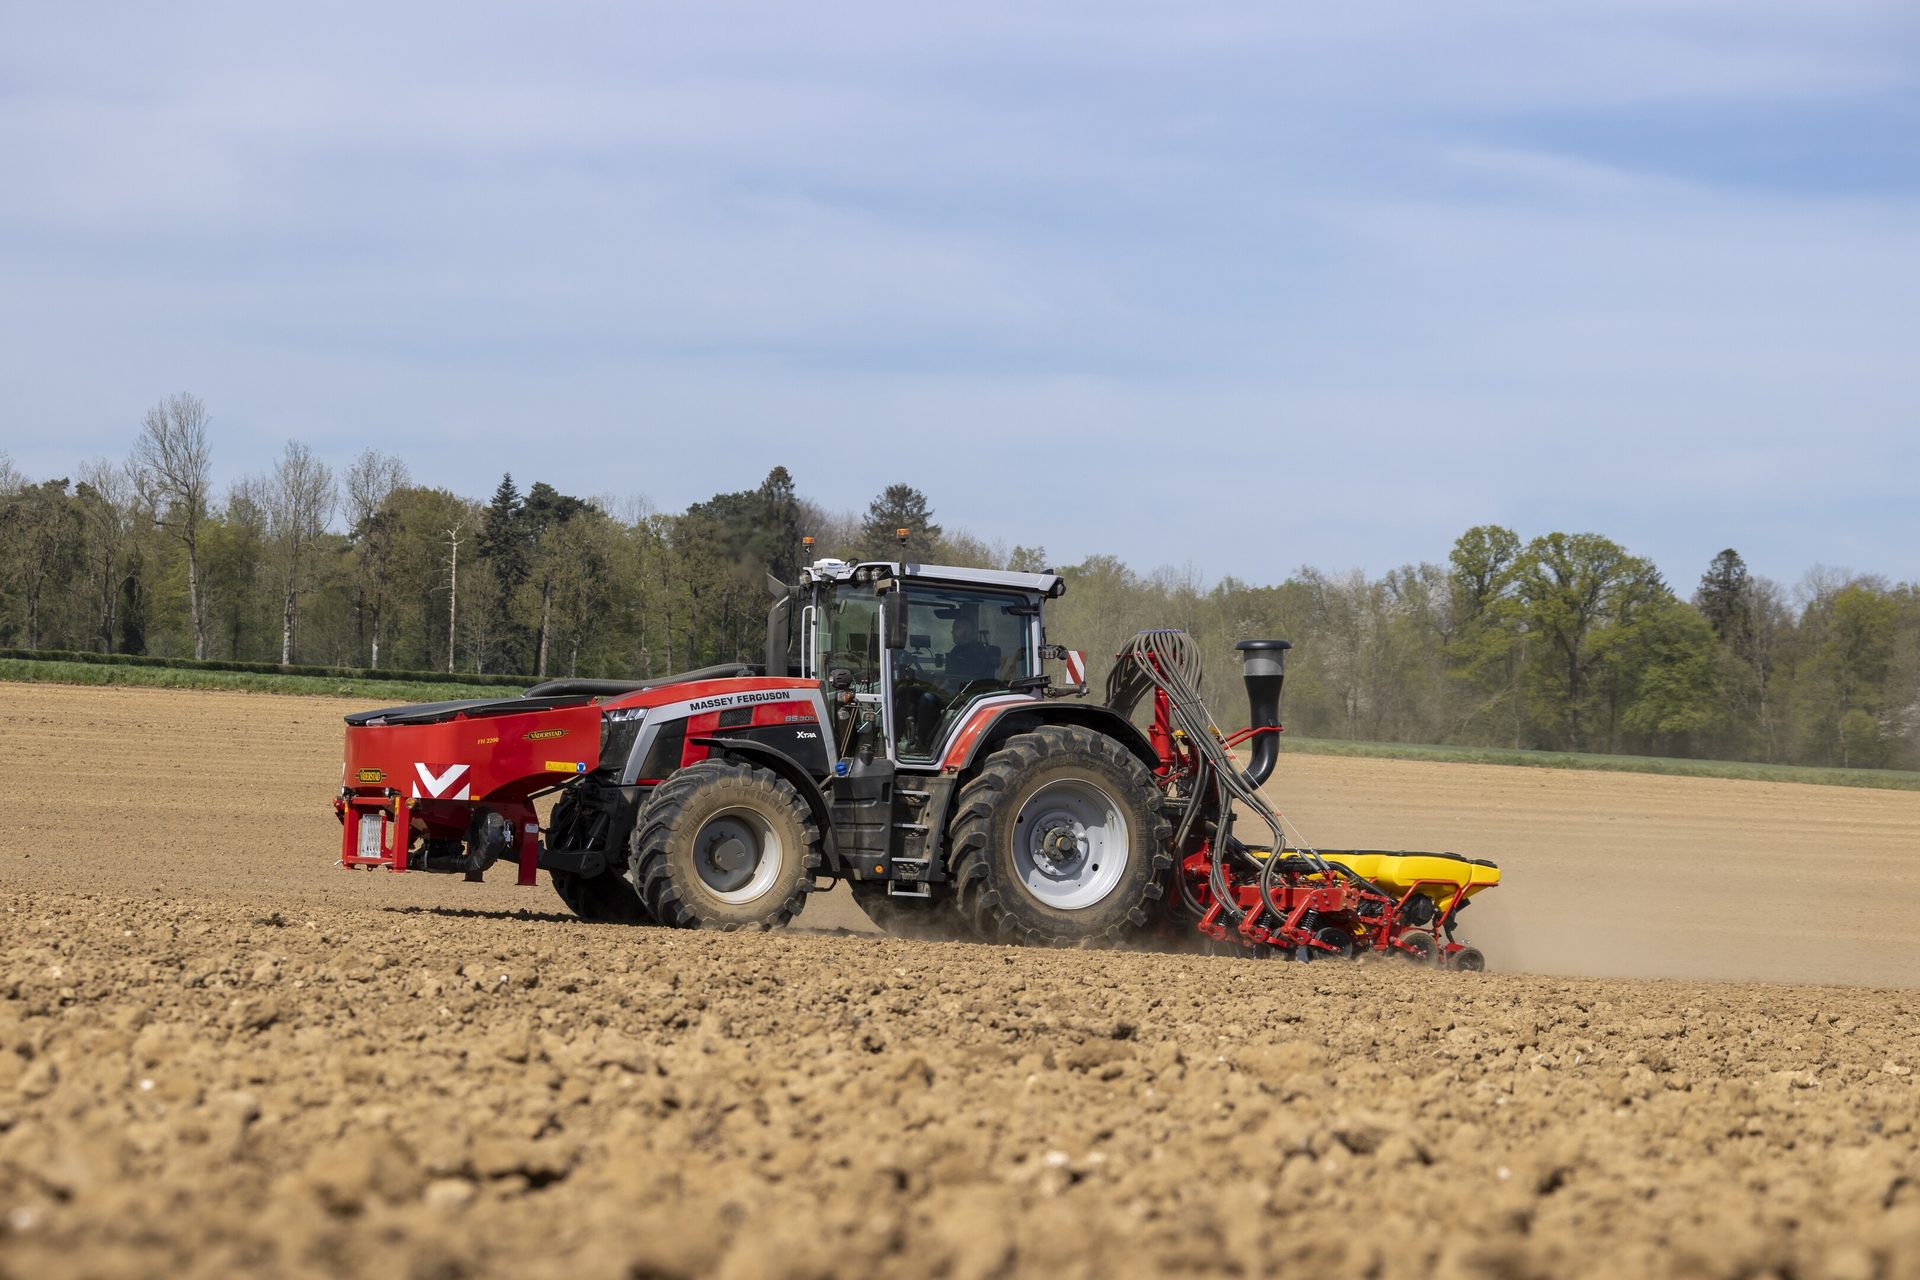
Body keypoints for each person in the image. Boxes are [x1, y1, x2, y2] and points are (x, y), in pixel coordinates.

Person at [943, 610, 1001, 688]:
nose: (952, 632)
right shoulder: (957, 650)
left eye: (956, 628)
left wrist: (939, 689)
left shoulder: (977, 653)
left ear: (968, 631)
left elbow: (954, 681)